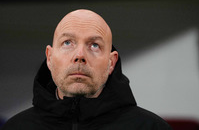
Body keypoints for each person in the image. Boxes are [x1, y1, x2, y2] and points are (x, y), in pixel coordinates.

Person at [1, 9, 172, 130]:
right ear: (50, 57)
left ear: (111, 62)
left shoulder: (151, 127)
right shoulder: (16, 127)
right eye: (67, 43)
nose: (80, 55)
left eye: (94, 45)